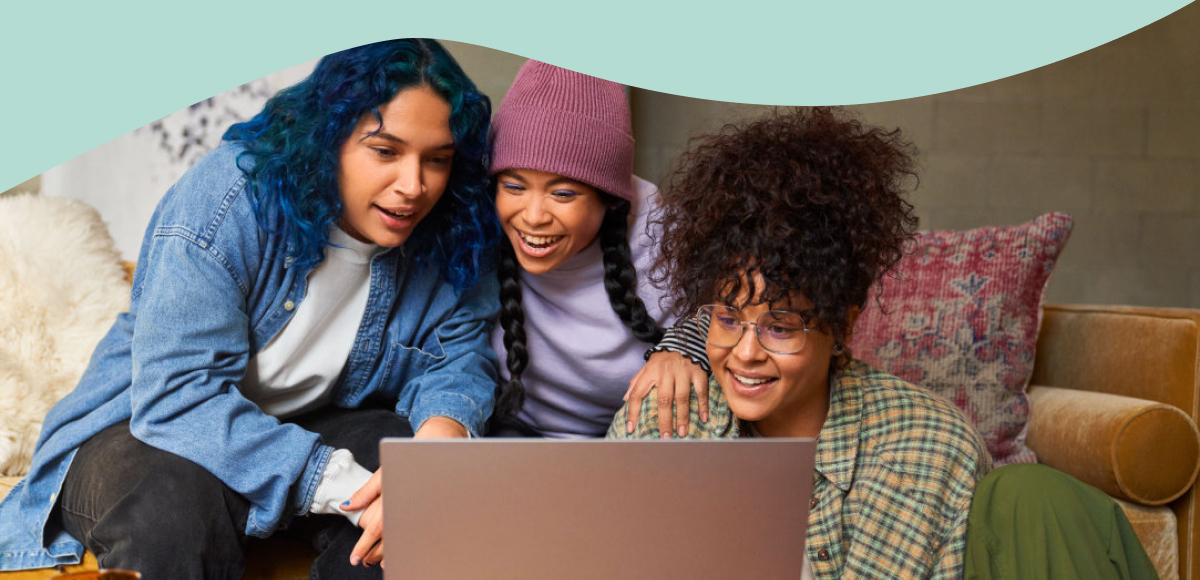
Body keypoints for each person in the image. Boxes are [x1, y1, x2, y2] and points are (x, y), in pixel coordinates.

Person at [0, 39, 499, 579]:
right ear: (328, 138)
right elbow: (175, 397)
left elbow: (457, 354)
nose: (414, 186)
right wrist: (336, 483)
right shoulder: (228, 199)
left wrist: (440, 442)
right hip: (149, 426)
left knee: (420, 502)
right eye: (385, 151)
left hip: (310, 419)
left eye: (437, 159)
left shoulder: (452, 225)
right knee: (171, 510)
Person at [609, 107, 993, 579]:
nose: (746, 353)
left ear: (843, 326)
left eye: (781, 328)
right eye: (728, 319)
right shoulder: (659, 426)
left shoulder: (931, 453)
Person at [486, 60, 705, 438]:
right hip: (510, 443)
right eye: (515, 187)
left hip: (636, 445)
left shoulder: (667, 236)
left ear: (611, 200)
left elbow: (735, 316)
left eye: (563, 194)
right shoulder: (476, 231)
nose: (533, 217)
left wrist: (685, 347)